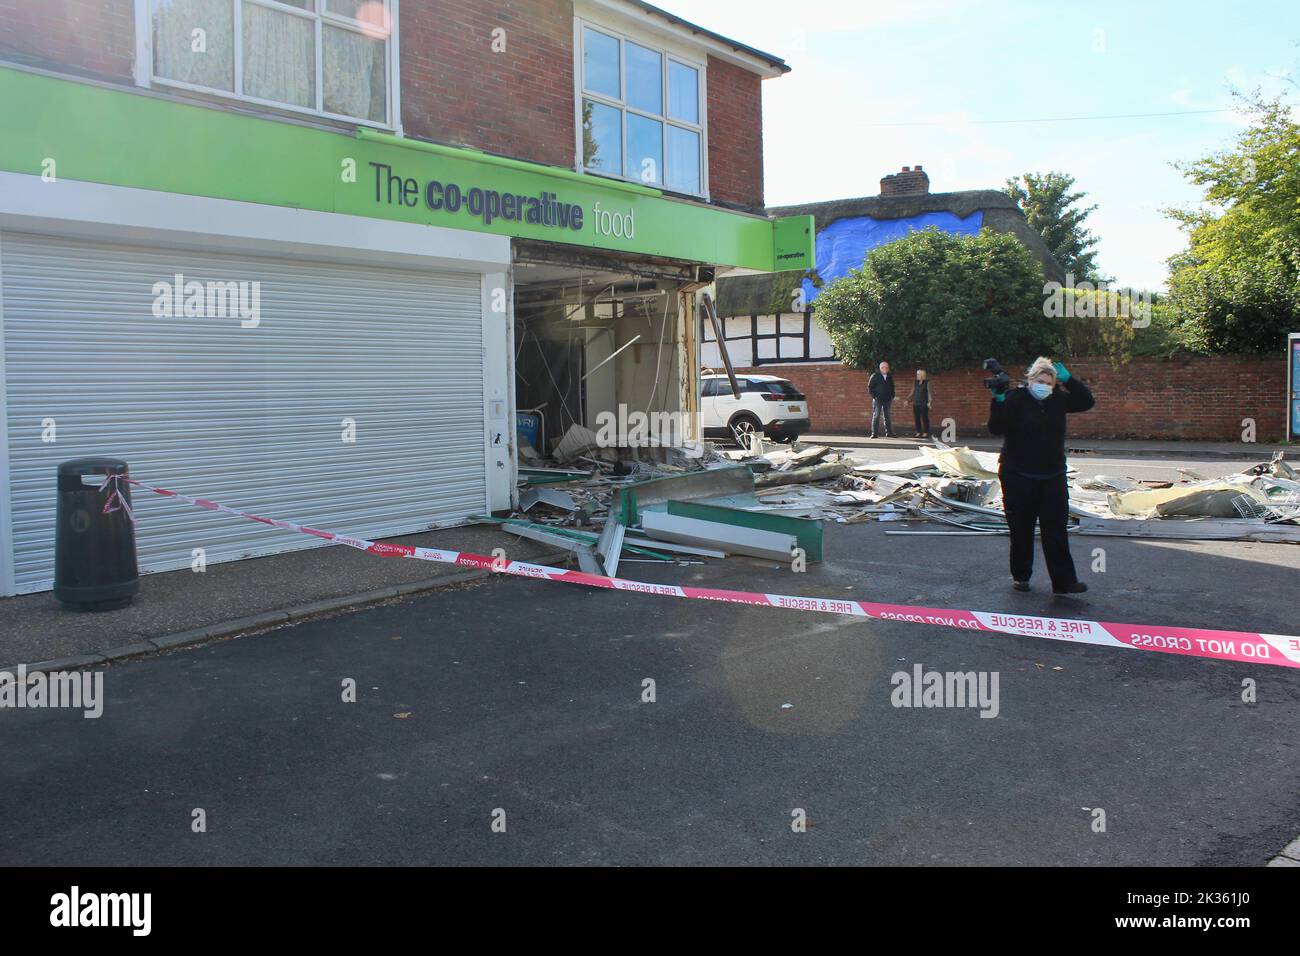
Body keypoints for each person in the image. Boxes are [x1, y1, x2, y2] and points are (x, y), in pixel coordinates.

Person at [988, 357, 1095, 595]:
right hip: (1018, 475)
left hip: (1052, 476)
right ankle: (1021, 576)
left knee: (1055, 529)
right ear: (1030, 379)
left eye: (1049, 382)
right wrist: (998, 400)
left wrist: (1070, 380)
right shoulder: (1016, 398)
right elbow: (996, 427)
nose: (1044, 385)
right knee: (1021, 529)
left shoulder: (1058, 399)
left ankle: (1064, 582)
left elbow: (1087, 401)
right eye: (1039, 380)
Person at [867, 361, 896, 438]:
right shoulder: (875, 376)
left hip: (887, 399)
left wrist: (892, 395)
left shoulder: (890, 376)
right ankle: (874, 433)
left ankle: (889, 433)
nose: (885, 369)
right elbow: (870, 387)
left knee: (887, 416)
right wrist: (874, 396)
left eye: (887, 367)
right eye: (883, 367)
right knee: (876, 415)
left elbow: (892, 386)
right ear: (880, 368)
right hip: (878, 399)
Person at [909, 369, 933, 438]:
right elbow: (912, 392)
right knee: (917, 418)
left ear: (923, 376)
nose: (918, 376)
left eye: (919, 374)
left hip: (924, 403)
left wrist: (929, 402)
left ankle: (926, 432)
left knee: (925, 418)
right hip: (915, 403)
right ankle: (918, 432)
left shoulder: (927, 382)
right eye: (917, 374)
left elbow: (929, 393)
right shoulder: (915, 382)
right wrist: (908, 400)